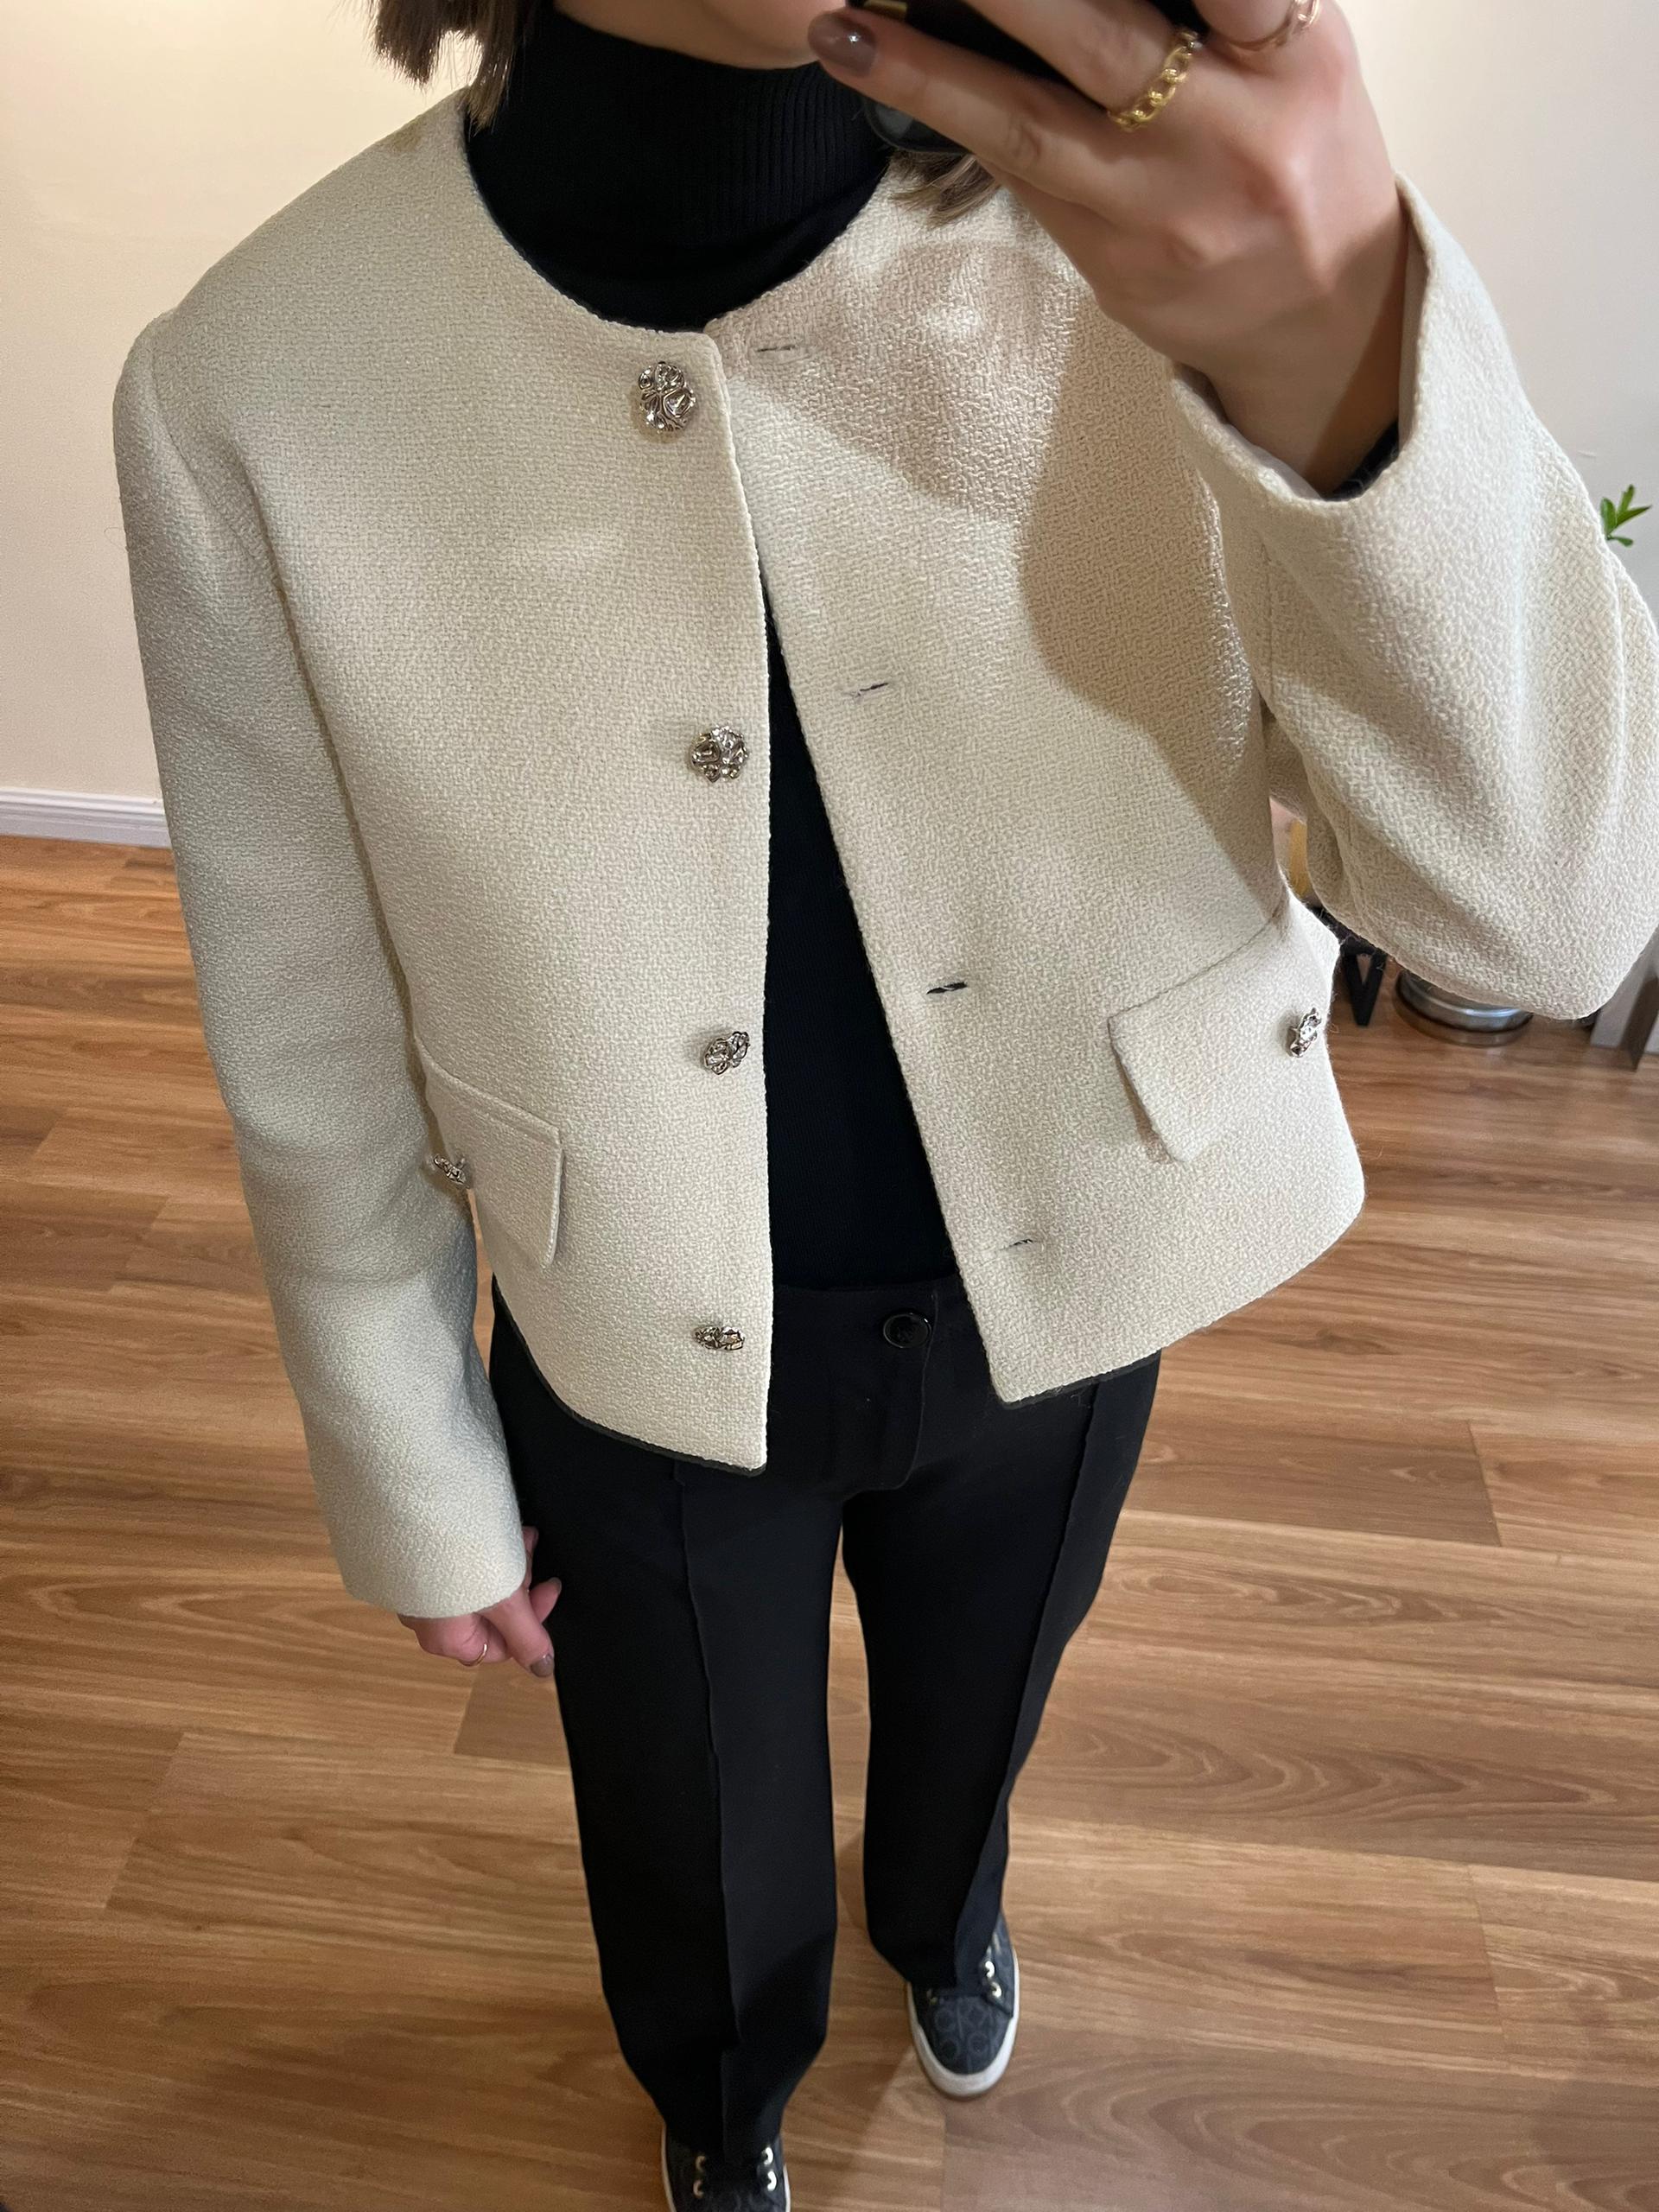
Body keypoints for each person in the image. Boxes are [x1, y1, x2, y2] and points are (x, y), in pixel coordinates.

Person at [110, 1, 1659, 2205]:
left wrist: (1336, 346)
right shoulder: (250, 380)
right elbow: (305, 1010)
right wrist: (402, 1448)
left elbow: (1550, 913)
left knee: (983, 1696)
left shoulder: (1155, 247)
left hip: (1080, 1246)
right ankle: (724, 2096)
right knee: (686, 1808)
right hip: (633, 1319)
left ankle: (944, 1915)